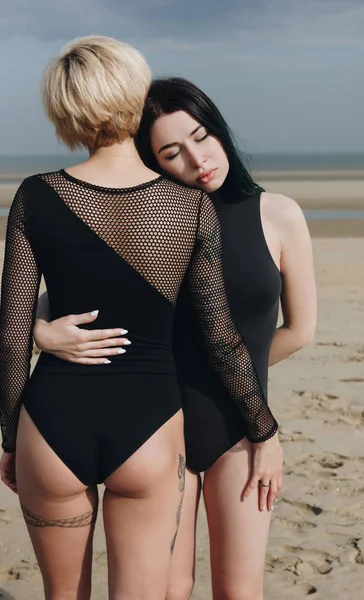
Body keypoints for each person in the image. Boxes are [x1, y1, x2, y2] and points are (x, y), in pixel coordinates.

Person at [0, 43, 280, 600]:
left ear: (65, 113)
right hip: (149, 426)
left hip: (51, 422)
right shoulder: (188, 206)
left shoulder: (34, 194)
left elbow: (12, 336)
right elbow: (222, 339)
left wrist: (9, 438)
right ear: (135, 93)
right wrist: (263, 429)